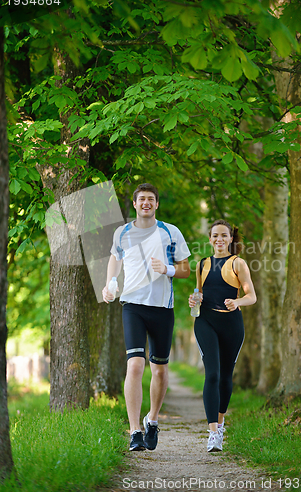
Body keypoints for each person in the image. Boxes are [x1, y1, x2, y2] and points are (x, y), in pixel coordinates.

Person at [102, 183, 191, 451]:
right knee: (135, 365)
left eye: (151, 199)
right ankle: (134, 431)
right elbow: (114, 259)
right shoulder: (123, 232)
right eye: (142, 199)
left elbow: (186, 269)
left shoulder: (170, 231)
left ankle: (151, 419)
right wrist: (109, 284)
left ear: (156, 204)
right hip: (133, 306)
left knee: (160, 370)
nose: (146, 203)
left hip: (162, 308)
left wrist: (167, 269)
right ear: (135, 203)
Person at [189, 219, 256, 452]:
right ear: (210, 239)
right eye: (215, 236)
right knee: (213, 374)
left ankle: (221, 421)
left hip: (231, 324)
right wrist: (193, 299)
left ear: (230, 239)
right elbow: (198, 293)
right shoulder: (202, 264)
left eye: (224, 236)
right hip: (205, 321)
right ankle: (213, 433)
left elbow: (252, 296)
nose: (219, 240)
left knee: (226, 376)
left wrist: (237, 302)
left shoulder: (238, 263)